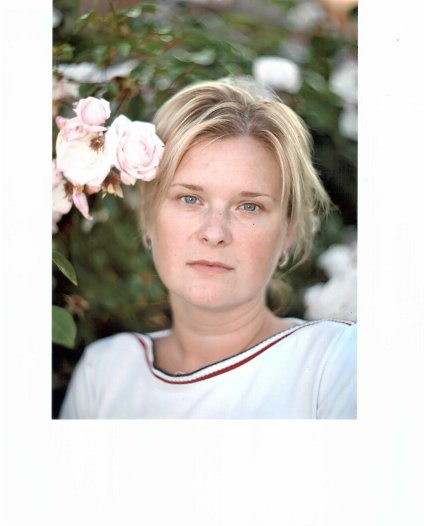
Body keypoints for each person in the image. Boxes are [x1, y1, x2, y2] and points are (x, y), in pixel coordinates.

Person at [60, 79, 356, 419]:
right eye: (190, 199)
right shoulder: (105, 373)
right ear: (148, 218)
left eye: (249, 206)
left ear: (287, 231)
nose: (214, 233)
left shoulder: (337, 362)